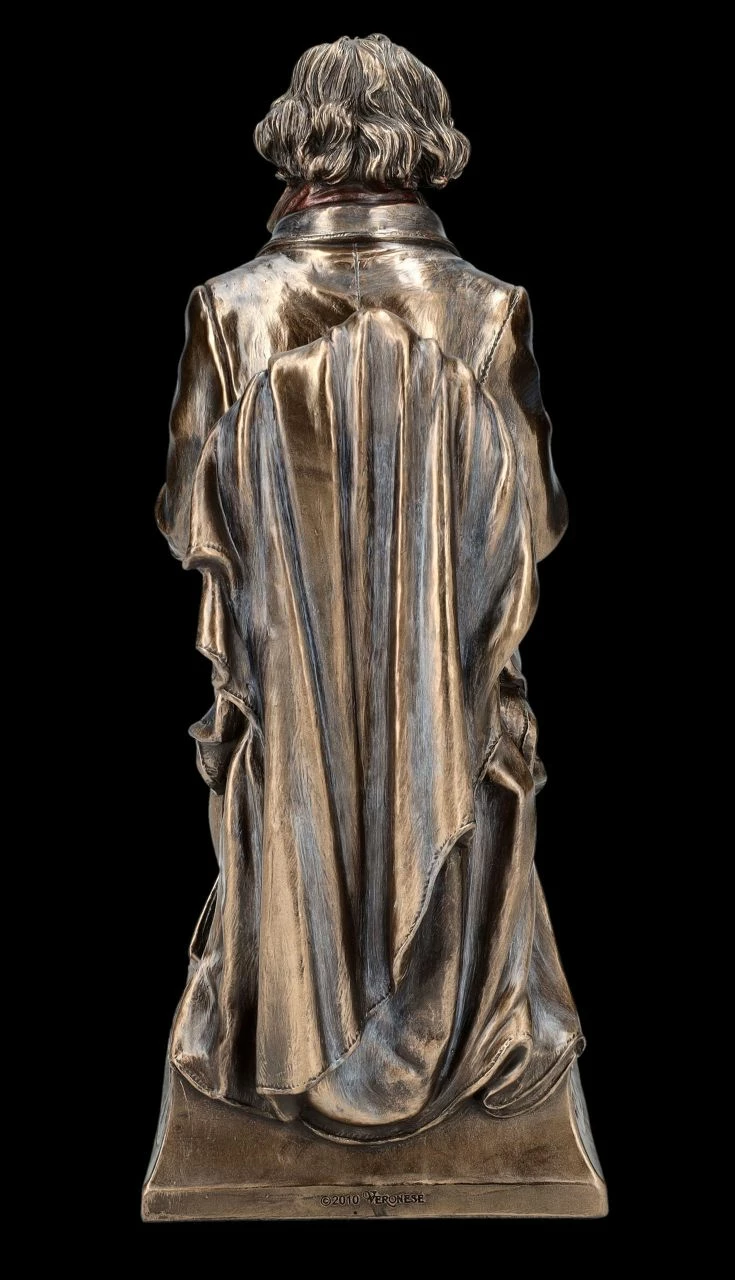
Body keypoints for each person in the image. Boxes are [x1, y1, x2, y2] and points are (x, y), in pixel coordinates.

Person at [155, 33, 582, 1144]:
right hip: (443, 686)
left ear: (297, 137)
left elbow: (188, 516)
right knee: (471, 769)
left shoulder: (232, 309)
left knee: (282, 789)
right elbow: (533, 521)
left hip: (290, 687)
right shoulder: (484, 309)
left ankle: (286, 1048)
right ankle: (455, 1049)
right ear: (423, 143)